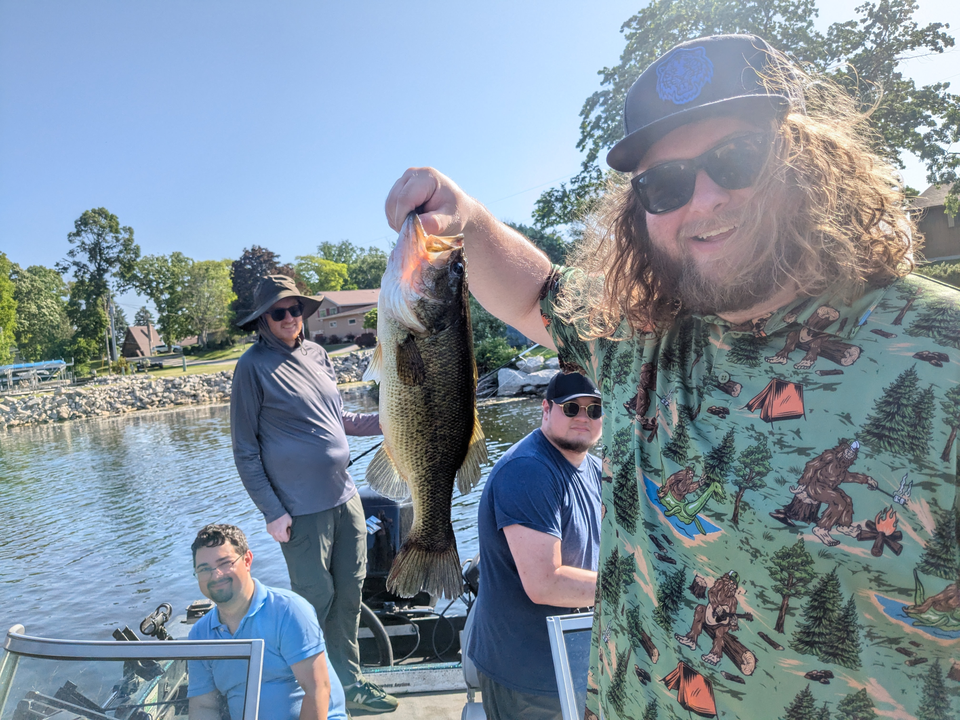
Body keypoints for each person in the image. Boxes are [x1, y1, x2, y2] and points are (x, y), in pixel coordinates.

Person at [385, 34, 960, 720]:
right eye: (666, 183)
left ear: (806, 162)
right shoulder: (640, 338)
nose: (705, 198)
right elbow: (537, 294)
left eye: (737, 159)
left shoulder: (940, 349)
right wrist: (468, 217)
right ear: (641, 211)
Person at [231, 275, 398, 714]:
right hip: (298, 511)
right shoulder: (251, 367)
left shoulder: (318, 353)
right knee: (313, 602)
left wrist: (388, 420)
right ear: (263, 320)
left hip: (346, 499)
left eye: (295, 309)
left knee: (349, 595)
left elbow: (337, 416)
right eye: (278, 312)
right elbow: (245, 451)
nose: (290, 318)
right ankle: (316, 692)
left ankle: (351, 685)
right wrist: (272, 511)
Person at [469, 372, 602, 720]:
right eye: (571, 408)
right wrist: (632, 589)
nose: (583, 418)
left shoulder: (593, 468)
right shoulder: (528, 470)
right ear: (545, 409)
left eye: (594, 410)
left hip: (574, 660)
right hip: (526, 676)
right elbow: (545, 583)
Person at [186, 524, 348, 720]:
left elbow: (317, 689)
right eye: (204, 569)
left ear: (247, 560)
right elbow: (204, 707)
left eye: (225, 563)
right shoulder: (199, 636)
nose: (216, 575)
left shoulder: (288, 610)